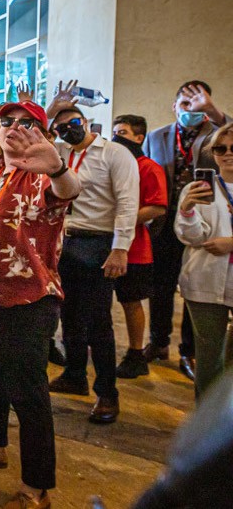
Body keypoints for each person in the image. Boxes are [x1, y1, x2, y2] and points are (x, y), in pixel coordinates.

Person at [0, 100, 80, 509]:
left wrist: (57, 168)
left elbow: (67, 191)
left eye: (27, 123)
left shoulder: (41, 174)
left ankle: (36, 488)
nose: (14, 128)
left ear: (42, 134)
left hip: (29, 299)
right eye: (7, 121)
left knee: (28, 395)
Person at [47, 106, 138, 424]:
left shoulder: (115, 154)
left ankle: (107, 393)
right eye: (61, 128)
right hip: (64, 241)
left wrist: (120, 248)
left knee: (98, 322)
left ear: (85, 122)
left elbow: (127, 203)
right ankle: (75, 375)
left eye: (73, 123)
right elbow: (37, 137)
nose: (68, 130)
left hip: (98, 242)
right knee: (69, 315)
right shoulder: (59, 152)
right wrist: (49, 112)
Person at [142, 81, 231, 380]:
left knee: (197, 289)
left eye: (196, 105)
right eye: (184, 104)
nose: (189, 110)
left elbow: (229, 130)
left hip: (204, 220)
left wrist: (211, 110)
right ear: (174, 106)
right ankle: (158, 341)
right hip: (164, 221)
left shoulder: (217, 134)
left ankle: (188, 350)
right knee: (161, 286)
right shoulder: (156, 136)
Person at [174, 123, 233, 399]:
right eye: (221, 148)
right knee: (208, 358)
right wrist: (187, 210)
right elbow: (191, 236)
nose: (228, 153)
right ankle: (206, 418)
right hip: (205, 281)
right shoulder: (197, 188)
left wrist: (230, 244)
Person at [111, 115, 168, 378]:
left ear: (139, 137)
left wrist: (123, 221)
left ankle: (136, 353)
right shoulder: (110, 162)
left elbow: (157, 206)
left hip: (134, 248)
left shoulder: (149, 167)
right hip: (103, 243)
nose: (116, 137)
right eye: (115, 132)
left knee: (131, 301)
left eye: (122, 132)